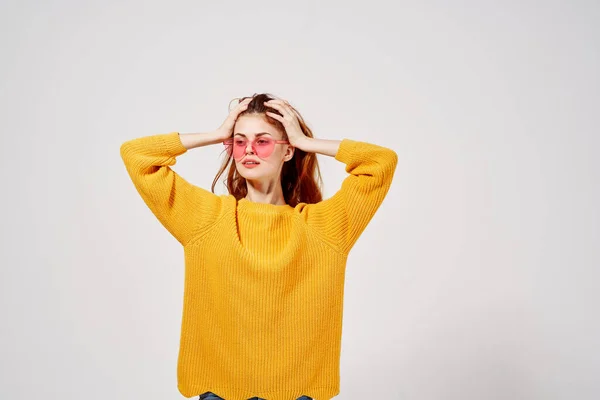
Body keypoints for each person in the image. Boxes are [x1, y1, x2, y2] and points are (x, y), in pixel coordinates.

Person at [120, 93, 398, 400]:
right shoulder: (207, 219)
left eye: (262, 141)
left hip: (297, 393)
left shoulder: (323, 228)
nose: (248, 150)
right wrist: (216, 134)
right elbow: (137, 155)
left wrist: (306, 142)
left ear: (288, 151)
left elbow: (380, 162)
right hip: (219, 391)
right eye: (239, 141)